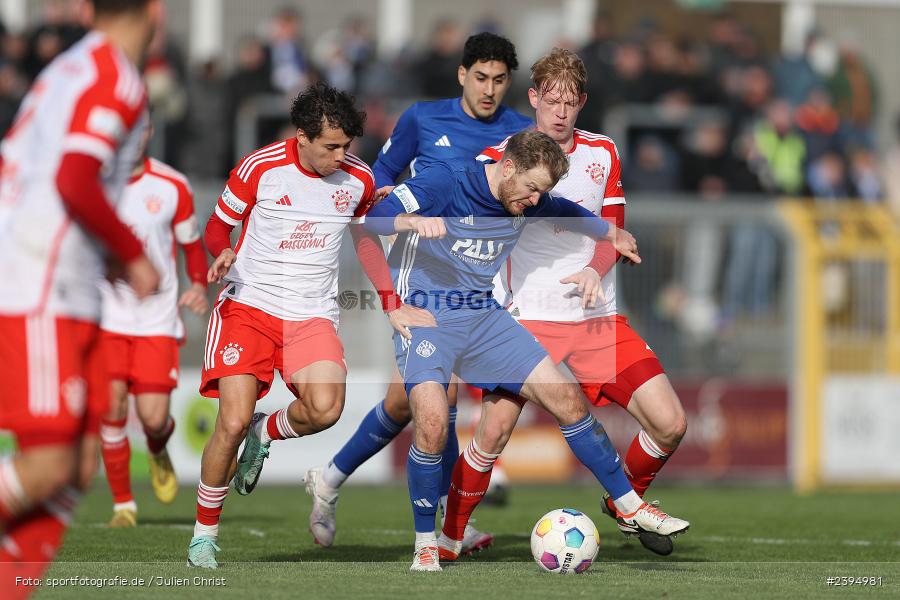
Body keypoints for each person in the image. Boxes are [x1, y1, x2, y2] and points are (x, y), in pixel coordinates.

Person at [363, 130, 689, 571]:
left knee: (567, 400)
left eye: (543, 192)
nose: (536, 200)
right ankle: (427, 541)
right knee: (435, 427)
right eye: (532, 188)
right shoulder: (445, 180)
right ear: (509, 167)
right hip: (429, 317)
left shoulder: (530, 197)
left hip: (484, 317)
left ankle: (629, 504)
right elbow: (369, 226)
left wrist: (611, 232)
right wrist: (400, 260)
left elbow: (567, 210)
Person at [439, 48, 688, 559]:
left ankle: (626, 502)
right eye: (551, 101)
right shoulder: (500, 158)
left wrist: (595, 270)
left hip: (596, 319)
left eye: (570, 103)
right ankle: (448, 538)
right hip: (526, 319)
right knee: (493, 434)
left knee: (670, 423)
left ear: (582, 104)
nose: (560, 112)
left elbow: (611, 231)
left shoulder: (603, 153)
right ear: (532, 98)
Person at [302, 32, 532, 554]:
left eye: (499, 80)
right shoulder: (423, 119)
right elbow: (378, 180)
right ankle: (451, 523)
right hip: (420, 274)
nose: (489, 89)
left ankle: (330, 479)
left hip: (481, 277)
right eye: (480, 78)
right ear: (462, 75)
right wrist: (398, 214)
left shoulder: (521, 133)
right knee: (440, 393)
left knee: (404, 402)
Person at [186, 82, 425, 570]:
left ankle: (266, 431)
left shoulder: (356, 180)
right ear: (301, 137)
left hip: (312, 314)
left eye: (347, 146)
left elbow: (364, 243)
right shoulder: (261, 168)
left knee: (325, 409)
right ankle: (204, 536)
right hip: (249, 308)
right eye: (331, 146)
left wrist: (391, 302)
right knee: (228, 423)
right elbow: (216, 226)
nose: (343, 156)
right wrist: (222, 251)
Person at [0, 0, 161, 594]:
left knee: (78, 464)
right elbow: (74, 176)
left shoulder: (65, 67)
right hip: (40, 282)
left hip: (62, 279)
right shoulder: (114, 77)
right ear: (155, 11)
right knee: (47, 464)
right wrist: (132, 253)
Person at [98, 125, 209, 528]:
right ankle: (123, 505)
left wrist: (198, 284)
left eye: (141, 125)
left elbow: (191, 246)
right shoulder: (93, 181)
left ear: (149, 130)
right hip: (106, 315)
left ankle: (158, 447)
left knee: (152, 419)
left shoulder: (171, 185)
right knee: (110, 407)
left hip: (156, 319)